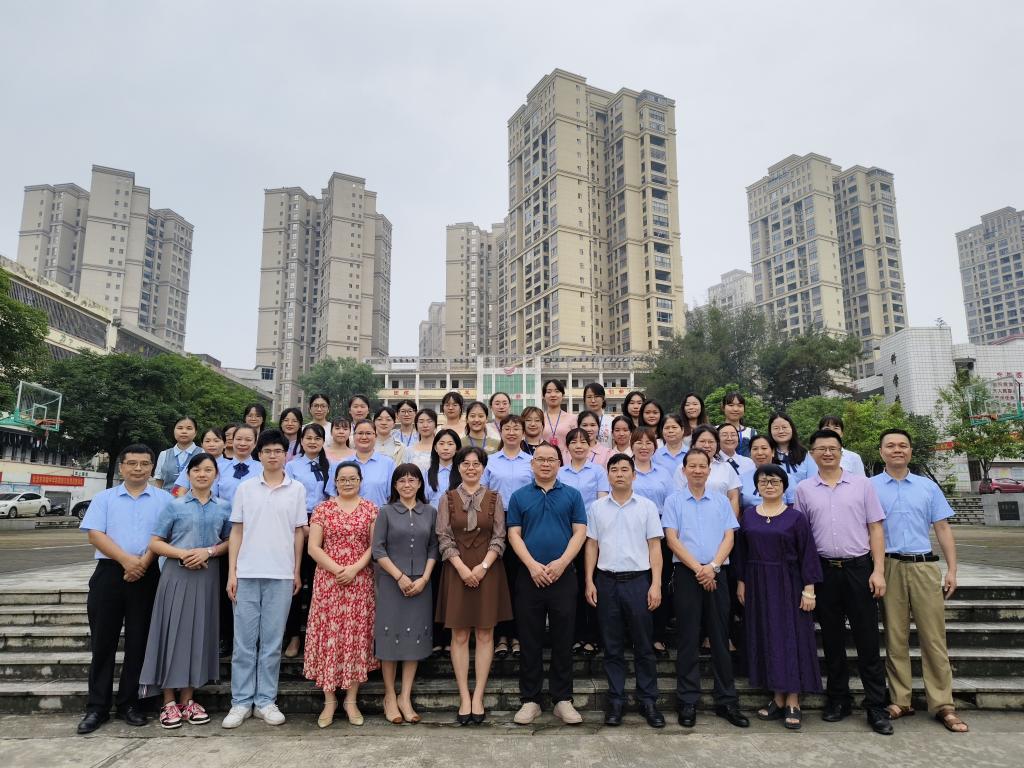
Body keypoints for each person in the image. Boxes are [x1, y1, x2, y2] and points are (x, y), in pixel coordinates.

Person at [795, 428, 893, 736]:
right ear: (812, 454)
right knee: (832, 639)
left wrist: (878, 570)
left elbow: (875, 529)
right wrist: (808, 580)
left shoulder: (862, 485)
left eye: (833, 448)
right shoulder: (804, 489)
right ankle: (839, 699)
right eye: (821, 449)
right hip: (824, 570)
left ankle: (876, 706)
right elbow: (803, 538)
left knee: (867, 639)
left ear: (841, 451)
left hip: (858, 568)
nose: (827, 453)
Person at [872, 429, 968, 733]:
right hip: (889, 566)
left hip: (924, 565)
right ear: (881, 451)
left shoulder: (928, 487)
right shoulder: (870, 487)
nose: (897, 450)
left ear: (910, 451)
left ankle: (943, 704)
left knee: (933, 637)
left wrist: (952, 570)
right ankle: (900, 700)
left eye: (903, 445)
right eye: (890, 445)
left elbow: (942, 528)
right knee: (895, 636)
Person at [76, 444, 171, 735]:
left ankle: (130, 703)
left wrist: (143, 562)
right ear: (122, 467)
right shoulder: (104, 498)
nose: (138, 468)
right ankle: (97, 707)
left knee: (138, 642)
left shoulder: (164, 499)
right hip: (109, 574)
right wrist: (126, 561)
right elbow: (95, 534)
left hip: (148, 573)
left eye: (144, 463)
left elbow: (165, 535)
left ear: (152, 467)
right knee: (103, 642)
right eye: (132, 463)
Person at [139, 453, 232, 729]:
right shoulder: (174, 505)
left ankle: (188, 699)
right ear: (188, 474)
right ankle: (168, 701)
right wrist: (183, 554)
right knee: (171, 633)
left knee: (199, 634)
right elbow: (155, 542)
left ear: (216, 475)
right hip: (176, 575)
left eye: (208, 470)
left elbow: (230, 540)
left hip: (207, 576)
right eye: (197, 470)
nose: (202, 474)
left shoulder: (224, 507)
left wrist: (209, 552)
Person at [221, 429, 307, 729]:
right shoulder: (246, 488)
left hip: (281, 574)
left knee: (271, 643)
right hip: (247, 573)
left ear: (286, 455)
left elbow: (298, 532)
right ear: (259, 455)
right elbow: (237, 531)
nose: (273, 455)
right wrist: (232, 572)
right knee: (244, 643)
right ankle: (241, 702)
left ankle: (265, 701)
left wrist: (296, 570)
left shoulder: (296, 489)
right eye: (267, 451)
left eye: (278, 451)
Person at [662, 449, 749, 730]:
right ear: (684, 470)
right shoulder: (674, 501)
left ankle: (727, 700)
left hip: (717, 573)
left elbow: (729, 537)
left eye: (703, 466)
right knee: (688, 638)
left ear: (709, 471)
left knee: (720, 637)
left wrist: (712, 566)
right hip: (687, 574)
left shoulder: (721, 501)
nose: (698, 470)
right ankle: (687, 700)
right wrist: (700, 570)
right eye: (693, 466)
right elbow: (672, 540)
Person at [734, 464, 822, 730]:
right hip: (757, 583)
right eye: (763, 481)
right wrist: (741, 582)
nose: (769, 485)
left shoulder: (795, 517)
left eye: (774, 481)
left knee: (791, 638)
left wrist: (809, 589)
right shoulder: (749, 516)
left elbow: (807, 553)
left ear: (784, 486)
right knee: (767, 637)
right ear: (756, 487)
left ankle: (793, 698)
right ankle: (777, 697)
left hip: (788, 583)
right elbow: (741, 552)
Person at [507, 442, 588, 725]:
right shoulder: (519, 496)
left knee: (563, 639)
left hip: (563, 576)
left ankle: (562, 699)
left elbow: (580, 532)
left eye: (551, 459)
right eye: (540, 459)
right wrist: (532, 565)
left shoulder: (572, 495)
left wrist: (562, 562)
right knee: (529, 639)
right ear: (532, 464)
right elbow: (514, 534)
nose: (545, 464)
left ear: (559, 464)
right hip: (529, 576)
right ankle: (530, 700)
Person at [584, 454, 665, 728]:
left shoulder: (647, 506)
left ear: (634, 475)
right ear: (607, 475)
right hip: (606, 581)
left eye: (624, 470)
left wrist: (656, 584)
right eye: (614, 470)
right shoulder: (597, 508)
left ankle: (648, 701)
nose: (619, 474)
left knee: (644, 645)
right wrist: (589, 580)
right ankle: (616, 701)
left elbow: (655, 547)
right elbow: (592, 545)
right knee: (612, 646)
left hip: (638, 581)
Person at [435, 447, 513, 725]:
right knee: (458, 635)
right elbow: (443, 536)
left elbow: (500, 537)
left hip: (487, 570)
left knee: (484, 634)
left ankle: (478, 695)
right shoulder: (447, 498)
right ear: (458, 467)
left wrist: (482, 567)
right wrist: (461, 568)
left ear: (483, 468)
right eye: (465, 464)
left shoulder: (495, 497)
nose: (471, 468)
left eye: (476, 464)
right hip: (456, 569)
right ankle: (463, 697)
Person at [304, 461, 379, 728]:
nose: (347, 483)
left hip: (360, 580)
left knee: (355, 637)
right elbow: (313, 547)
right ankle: (329, 700)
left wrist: (355, 569)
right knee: (329, 637)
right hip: (329, 581)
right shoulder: (323, 509)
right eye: (342, 479)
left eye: (352, 478)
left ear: (360, 481)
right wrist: (338, 569)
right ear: (335, 482)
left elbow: (374, 546)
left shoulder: (371, 509)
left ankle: (351, 700)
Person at [371, 464, 439, 725]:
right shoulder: (386, 512)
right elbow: (378, 550)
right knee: (390, 639)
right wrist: (399, 577)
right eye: (402, 481)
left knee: (414, 640)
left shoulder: (430, 512)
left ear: (420, 484)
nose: (407, 485)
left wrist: (424, 578)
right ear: (395, 485)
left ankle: (405, 696)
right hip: (391, 583)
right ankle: (390, 696)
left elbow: (433, 548)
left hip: (421, 583)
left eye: (412, 480)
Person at [481, 415, 533, 660]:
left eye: (516, 428)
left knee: (521, 581)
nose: (511, 432)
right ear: (500, 432)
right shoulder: (490, 461)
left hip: (527, 523)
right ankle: (502, 635)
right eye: (507, 428)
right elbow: (482, 494)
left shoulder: (532, 461)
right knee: (500, 581)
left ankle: (520, 635)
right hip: (496, 523)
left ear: (523, 432)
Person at [559, 426, 609, 656]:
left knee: (591, 585)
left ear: (590, 446)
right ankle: (574, 635)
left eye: (583, 442)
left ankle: (592, 636)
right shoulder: (560, 472)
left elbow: (601, 503)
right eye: (574, 442)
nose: (578, 446)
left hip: (592, 536)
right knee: (571, 588)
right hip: (566, 536)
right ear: (567, 447)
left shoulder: (598, 472)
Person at [282, 424, 331, 658]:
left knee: (319, 582)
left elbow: (333, 497)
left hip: (325, 525)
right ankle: (293, 635)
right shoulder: (292, 466)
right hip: (296, 524)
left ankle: (315, 635)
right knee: (296, 579)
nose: (312, 442)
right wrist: (303, 525)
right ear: (301, 441)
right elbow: (288, 497)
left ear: (323, 441)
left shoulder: (331, 465)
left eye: (317, 438)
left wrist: (320, 527)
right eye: (308, 438)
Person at [629, 427, 675, 654]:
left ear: (655, 447)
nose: (644, 446)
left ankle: (657, 635)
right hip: (629, 533)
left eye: (649, 443)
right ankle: (634, 635)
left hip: (658, 534)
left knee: (659, 583)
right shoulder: (624, 468)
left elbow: (671, 504)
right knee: (634, 585)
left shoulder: (664, 473)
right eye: (639, 442)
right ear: (632, 445)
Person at [331, 419, 396, 508]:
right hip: (346, 515)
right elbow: (332, 497)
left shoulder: (388, 464)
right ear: (354, 436)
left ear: (375, 436)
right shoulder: (340, 464)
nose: (364, 437)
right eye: (360, 433)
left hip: (379, 515)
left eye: (368, 433)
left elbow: (393, 497)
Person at [680, 425, 741, 518]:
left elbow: (733, 498)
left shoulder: (727, 467)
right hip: (689, 519)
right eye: (702, 441)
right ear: (693, 444)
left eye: (711, 442)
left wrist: (730, 523)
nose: (707, 445)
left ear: (717, 444)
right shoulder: (683, 468)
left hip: (721, 520)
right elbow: (677, 497)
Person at [740, 434, 795, 508]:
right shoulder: (742, 478)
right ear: (750, 453)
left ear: (773, 452)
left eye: (764, 448)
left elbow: (793, 506)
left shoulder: (787, 478)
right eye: (755, 449)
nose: (759, 453)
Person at [170, 427, 228, 497]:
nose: (211, 444)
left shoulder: (231, 466)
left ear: (225, 444)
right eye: (207, 441)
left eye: (216, 441)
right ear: (202, 445)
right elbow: (177, 489)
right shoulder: (193, 464)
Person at [215, 425, 261, 507]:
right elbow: (212, 496)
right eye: (239, 439)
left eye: (248, 440)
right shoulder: (219, 468)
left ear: (255, 443)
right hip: (224, 514)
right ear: (233, 441)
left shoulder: (263, 469)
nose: (242, 443)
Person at [768, 413, 814, 488]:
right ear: (770, 431)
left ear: (792, 429)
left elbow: (813, 481)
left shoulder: (805, 454)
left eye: (784, 427)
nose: (781, 431)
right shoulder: (767, 455)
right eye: (776, 428)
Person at [154, 416, 199, 489]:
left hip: (193, 496)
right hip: (167, 495)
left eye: (189, 428)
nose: (184, 431)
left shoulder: (203, 454)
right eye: (180, 428)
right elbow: (158, 482)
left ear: (195, 433)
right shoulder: (164, 454)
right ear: (174, 431)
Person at [540, 379, 573, 450]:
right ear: (543, 396)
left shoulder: (572, 418)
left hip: (566, 456)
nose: (553, 395)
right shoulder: (539, 418)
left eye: (557, 391)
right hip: (544, 456)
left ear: (563, 395)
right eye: (549, 392)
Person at [721, 392, 756, 457]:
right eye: (731, 405)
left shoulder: (752, 433)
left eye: (740, 406)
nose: (735, 409)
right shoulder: (714, 431)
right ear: (723, 407)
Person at [582, 383, 614, 447]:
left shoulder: (612, 421)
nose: (593, 401)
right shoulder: (578, 420)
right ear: (584, 399)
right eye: (589, 397)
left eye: (596, 396)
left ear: (603, 398)